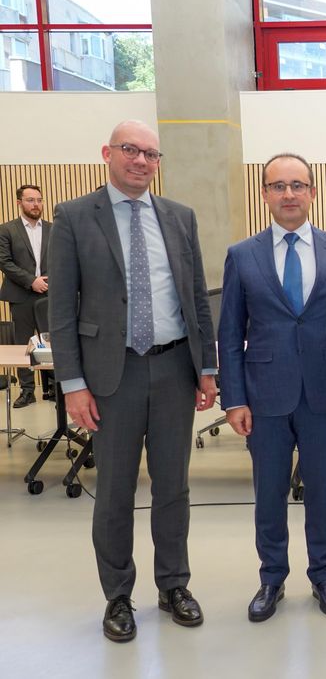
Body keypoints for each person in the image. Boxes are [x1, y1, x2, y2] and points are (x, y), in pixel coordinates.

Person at [47, 120, 218, 643]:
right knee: (116, 490)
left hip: (172, 369)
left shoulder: (179, 217)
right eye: (130, 150)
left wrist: (206, 368)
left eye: (150, 153)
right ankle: (118, 596)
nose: (141, 161)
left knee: (174, 488)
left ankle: (174, 586)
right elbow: (61, 309)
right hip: (108, 376)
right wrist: (72, 383)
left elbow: (196, 300)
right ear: (107, 153)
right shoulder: (75, 217)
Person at [218, 153, 326, 622]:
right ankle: (271, 578)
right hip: (264, 397)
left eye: (297, 185)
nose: (288, 194)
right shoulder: (241, 256)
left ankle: (324, 575)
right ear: (264, 193)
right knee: (269, 492)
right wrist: (235, 397)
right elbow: (229, 332)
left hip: (325, 394)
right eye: (278, 186)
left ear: (313, 192)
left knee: (323, 491)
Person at [0, 184, 55, 404]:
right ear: (19, 202)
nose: (36, 204)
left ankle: (52, 388)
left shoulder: (54, 228)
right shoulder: (6, 229)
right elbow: (4, 262)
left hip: (48, 293)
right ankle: (27, 390)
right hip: (20, 293)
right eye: (30, 200)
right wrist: (31, 281)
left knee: (49, 342)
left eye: (39, 200)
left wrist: (46, 281)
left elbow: (61, 258)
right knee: (25, 342)